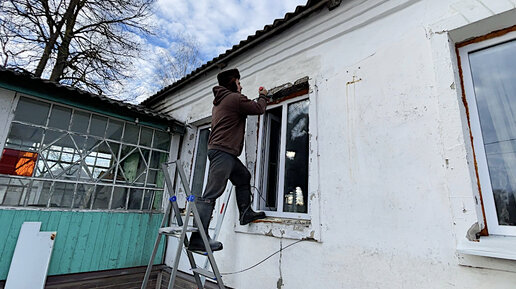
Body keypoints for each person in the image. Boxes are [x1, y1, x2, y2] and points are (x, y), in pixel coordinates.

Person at [188, 68, 269, 252]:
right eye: (239, 82)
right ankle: (198, 238)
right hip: (222, 152)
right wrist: (263, 96)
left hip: (225, 153)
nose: (241, 86)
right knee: (212, 193)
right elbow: (258, 109)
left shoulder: (220, 102)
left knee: (243, 177)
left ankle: (245, 213)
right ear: (232, 82)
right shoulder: (234, 98)